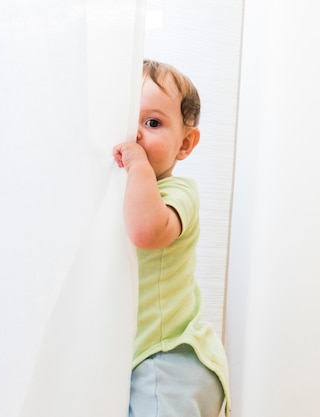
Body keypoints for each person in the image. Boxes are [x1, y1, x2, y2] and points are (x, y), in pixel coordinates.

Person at [113, 59, 231, 417]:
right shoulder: (115, 195)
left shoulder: (177, 191)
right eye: (125, 119)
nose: (135, 134)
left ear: (185, 144)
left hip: (170, 357)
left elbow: (146, 231)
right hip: (149, 358)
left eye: (152, 123)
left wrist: (137, 165)